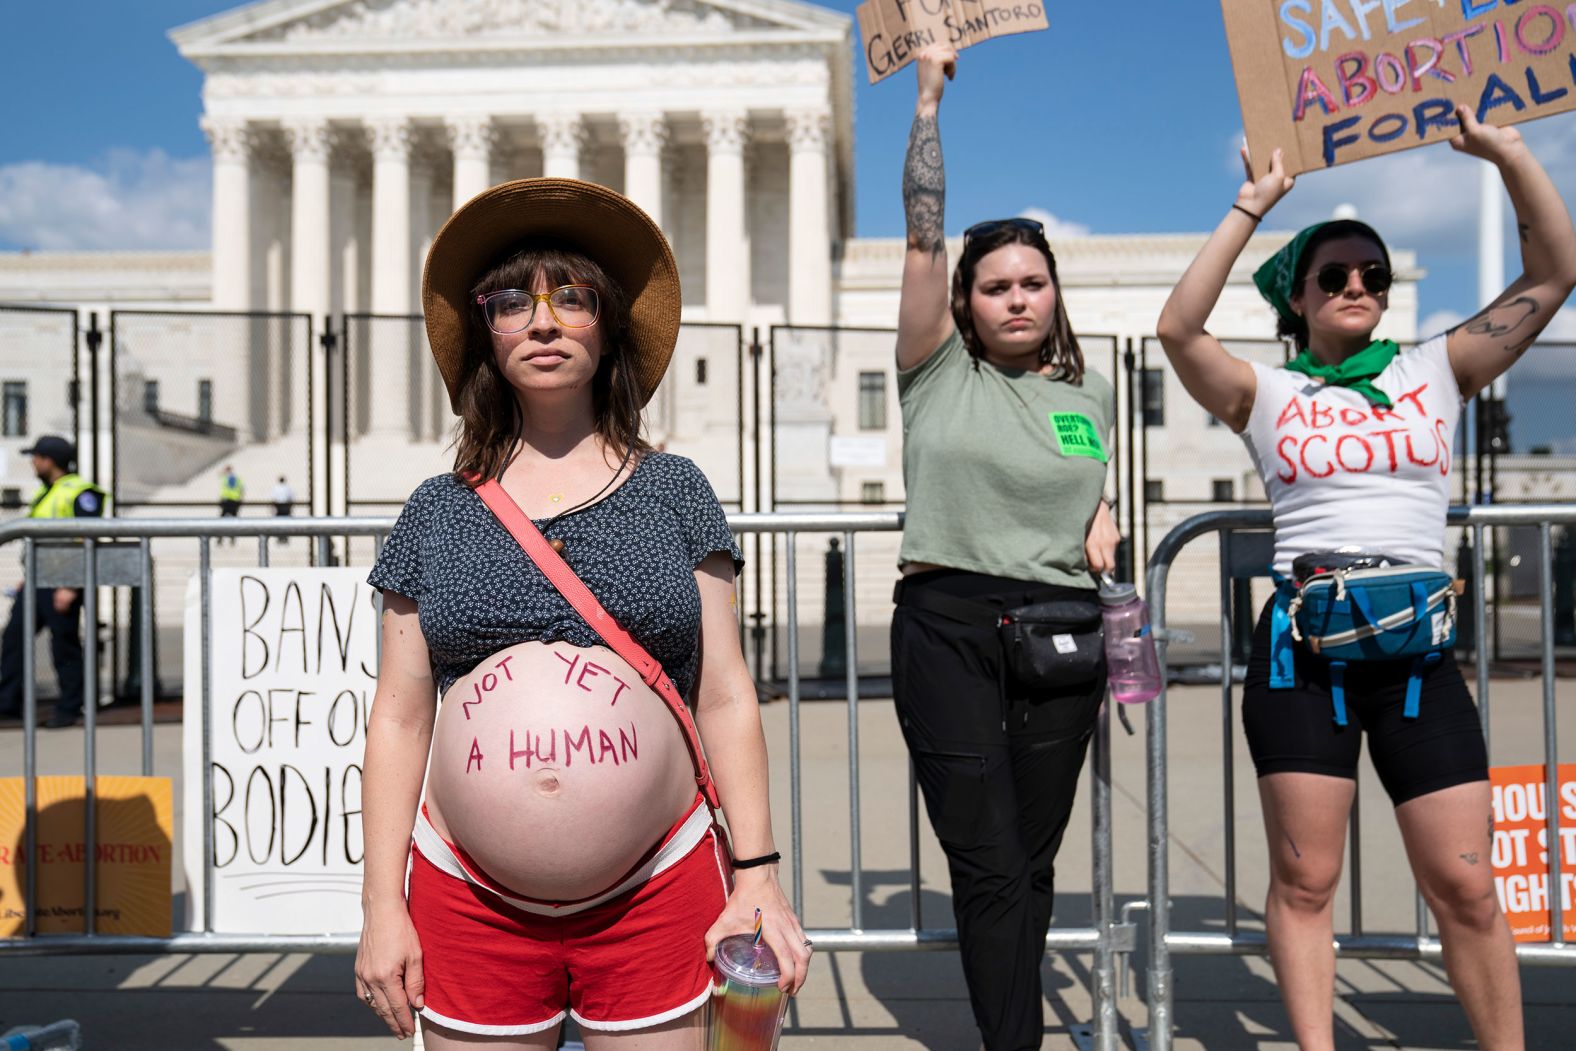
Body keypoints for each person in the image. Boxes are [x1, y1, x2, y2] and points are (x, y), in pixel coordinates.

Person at [1155, 108, 1576, 1051]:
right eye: (1334, 274)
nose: (1358, 284)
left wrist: (1506, 153)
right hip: (1302, 660)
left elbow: (1553, 273)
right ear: (1297, 297)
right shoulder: (1268, 392)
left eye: (1374, 274)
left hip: (1419, 657)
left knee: (1466, 883)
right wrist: (1249, 206)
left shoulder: (1438, 368)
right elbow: (1178, 328)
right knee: (1307, 882)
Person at [354, 178, 810, 1048]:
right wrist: (382, 904)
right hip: (468, 895)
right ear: (487, 334)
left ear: (609, 331)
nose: (545, 320)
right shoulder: (434, 511)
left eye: (574, 296)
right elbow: (402, 716)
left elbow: (723, 693)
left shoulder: (676, 490)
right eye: (512, 301)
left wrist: (757, 877)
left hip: (660, 883)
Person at [888, 45, 1120, 1051]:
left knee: (1031, 861)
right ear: (966, 304)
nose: (1016, 298)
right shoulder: (936, 371)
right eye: (995, 287)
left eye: (1033, 282)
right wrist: (929, 102)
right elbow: (924, 234)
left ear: (1054, 293)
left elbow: (1079, 482)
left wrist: (1103, 511)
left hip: (1060, 629)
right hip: (948, 626)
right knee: (985, 861)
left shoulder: (1088, 396)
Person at [0, 435, 106, 729]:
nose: (33, 462)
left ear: (50, 460)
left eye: (36, 457)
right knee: (13, 640)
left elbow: (86, 539)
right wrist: (27, 577)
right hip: (37, 580)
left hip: (62, 582)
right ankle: (7, 702)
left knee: (64, 648)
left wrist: (71, 586)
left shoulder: (81, 492)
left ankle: (70, 708)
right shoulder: (48, 492)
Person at [217, 464, 244, 545]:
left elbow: (219, 474)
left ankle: (220, 537)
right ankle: (232, 537)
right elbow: (242, 489)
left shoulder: (226, 478)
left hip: (226, 500)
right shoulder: (237, 478)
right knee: (234, 520)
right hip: (235, 500)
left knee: (222, 520)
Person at [270, 475, 293, 545]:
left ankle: (280, 537)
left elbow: (273, 498)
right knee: (286, 522)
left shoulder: (276, 488)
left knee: (279, 522)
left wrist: (272, 508)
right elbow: (291, 497)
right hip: (285, 506)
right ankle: (284, 537)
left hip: (279, 506)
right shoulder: (288, 488)